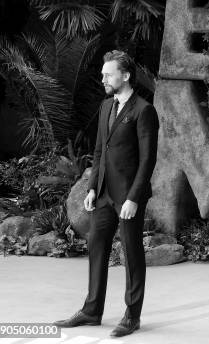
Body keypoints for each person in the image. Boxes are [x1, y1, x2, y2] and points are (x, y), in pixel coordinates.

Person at [53, 50, 159, 338]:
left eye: (108, 74)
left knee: (132, 253)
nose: (103, 79)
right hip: (102, 195)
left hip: (127, 197)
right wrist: (90, 188)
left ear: (125, 76)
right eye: (103, 75)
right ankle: (91, 310)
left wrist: (134, 198)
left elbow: (148, 159)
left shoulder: (143, 110)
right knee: (97, 247)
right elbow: (100, 151)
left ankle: (132, 316)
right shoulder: (104, 107)